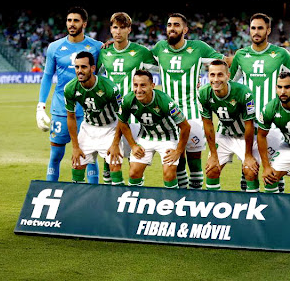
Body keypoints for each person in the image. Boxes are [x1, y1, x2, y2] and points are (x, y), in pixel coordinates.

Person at [151, 13, 223, 189]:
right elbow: (138, 57)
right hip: (169, 117)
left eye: (176, 25)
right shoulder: (160, 48)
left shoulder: (198, 48)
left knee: (194, 161)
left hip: (193, 114)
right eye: (169, 25)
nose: (172, 28)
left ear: (185, 29)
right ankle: (183, 200)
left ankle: (196, 199)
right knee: (177, 162)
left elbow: (222, 61)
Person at [229, 13, 290, 192]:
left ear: (268, 30)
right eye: (253, 28)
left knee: (274, 172)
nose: (256, 31)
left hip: (274, 122)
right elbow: (230, 83)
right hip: (249, 122)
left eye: (260, 28)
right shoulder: (241, 55)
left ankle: (275, 214)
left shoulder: (281, 54)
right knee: (248, 170)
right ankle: (248, 211)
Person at [36, 7, 103, 184]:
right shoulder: (54, 47)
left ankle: (92, 195)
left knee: (89, 156)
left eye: (76, 21)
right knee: (56, 154)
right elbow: (48, 76)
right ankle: (50, 191)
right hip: (61, 109)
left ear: (84, 23)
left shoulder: (97, 47)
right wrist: (40, 107)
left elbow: (103, 75)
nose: (71, 24)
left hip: (89, 110)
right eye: (69, 20)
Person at [97, 12, 157, 183]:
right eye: (115, 27)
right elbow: (94, 76)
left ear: (129, 29)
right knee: (110, 162)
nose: (118, 32)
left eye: (122, 28)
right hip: (111, 115)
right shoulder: (104, 52)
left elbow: (164, 68)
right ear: (111, 29)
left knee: (135, 163)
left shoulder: (141, 52)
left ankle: (132, 200)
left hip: (135, 115)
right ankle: (110, 200)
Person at [111, 70, 190, 187]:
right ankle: (136, 201)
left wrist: (178, 151)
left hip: (167, 137)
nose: (138, 90)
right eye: (135, 85)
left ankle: (172, 202)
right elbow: (122, 122)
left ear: (152, 86)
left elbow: (185, 127)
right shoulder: (128, 100)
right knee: (133, 173)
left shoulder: (165, 101)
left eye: (143, 85)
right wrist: (133, 145)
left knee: (168, 174)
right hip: (146, 136)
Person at [199, 60, 261, 191]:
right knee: (212, 170)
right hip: (224, 134)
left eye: (220, 75)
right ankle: (212, 203)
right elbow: (208, 124)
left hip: (246, 135)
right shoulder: (203, 93)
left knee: (250, 171)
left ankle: (252, 206)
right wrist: (213, 155)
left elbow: (249, 124)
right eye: (212, 75)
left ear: (228, 75)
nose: (216, 79)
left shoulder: (244, 92)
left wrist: (248, 155)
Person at [64, 51, 122, 183]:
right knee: (77, 164)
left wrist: (115, 143)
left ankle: (115, 200)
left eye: (84, 67)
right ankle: (79, 201)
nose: (79, 71)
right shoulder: (70, 88)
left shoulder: (109, 88)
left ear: (93, 68)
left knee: (115, 165)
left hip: (111, 127)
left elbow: (122, 116)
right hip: (88, 128)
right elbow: (71, 117)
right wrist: (75, 146)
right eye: (77, 67)